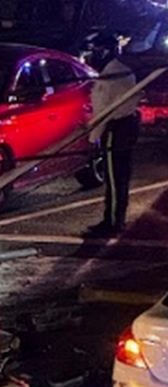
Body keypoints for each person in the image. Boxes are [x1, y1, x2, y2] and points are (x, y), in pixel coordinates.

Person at [83, 31, 141, 237]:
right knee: (120, 176)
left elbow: (102, 112)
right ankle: (114, 219)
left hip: (115, 130)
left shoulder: (110, 77)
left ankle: (113, 222)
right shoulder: (124, 71)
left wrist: (92, 139)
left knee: (115, 179)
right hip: (127, 126)